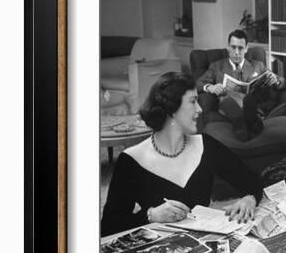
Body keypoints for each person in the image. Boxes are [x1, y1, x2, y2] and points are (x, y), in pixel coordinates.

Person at [101, 72, 264, 237]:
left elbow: (253, 181)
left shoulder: (206, 145)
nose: (200, 109)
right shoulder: (131, 160)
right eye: (193, 102)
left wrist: (249, 199)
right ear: (172, 109)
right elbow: (109, 228)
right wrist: (151, 215)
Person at [196, 29, 286, 141]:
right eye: (233, 47)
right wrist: (211, 87)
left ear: (246, 49)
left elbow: (283, 81)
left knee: (249, 100)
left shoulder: (258, 66)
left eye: (240, 48)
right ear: (228, 48)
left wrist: (276, 81)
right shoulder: (217, 66)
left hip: (252, 105)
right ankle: (251, 124)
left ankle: (243, 124)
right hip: (229, 105)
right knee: (227, 102)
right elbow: (198, 83)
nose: (236, 52)